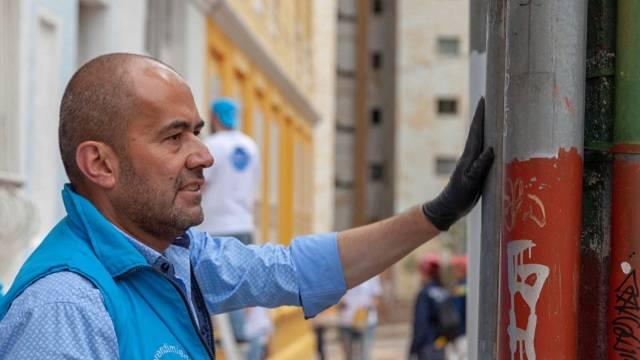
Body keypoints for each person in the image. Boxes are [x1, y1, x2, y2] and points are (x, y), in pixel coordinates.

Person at [0, 53, 493, 359]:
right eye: (174, 138)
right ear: (100, 164)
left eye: (197, 132)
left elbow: (295, 269)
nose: (204, 156)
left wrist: (436, 215)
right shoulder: (65, 309)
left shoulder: (177, 256)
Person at [200, 97, 265, 358]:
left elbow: (200, 184)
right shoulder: (251, 146)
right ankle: (250, 341)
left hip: (216, 226)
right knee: (243, 287)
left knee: (222, 291)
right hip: (244, 223)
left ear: (215, 118)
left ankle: (238, 339)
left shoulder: (211, 146)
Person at [409, 254, 460, 360]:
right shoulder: (443, 291)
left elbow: (421, 324)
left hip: (427, 345)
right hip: (440, 343)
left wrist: (413, 349)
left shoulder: (425, 293)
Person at [338, 275, 382, 360]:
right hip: (346, 321)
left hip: (366, 322)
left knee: (364, 355)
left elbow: (377, 296)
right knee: (348, 355)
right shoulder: (342, 272)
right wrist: (340, 304)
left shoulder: (372, 273)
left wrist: (366, 309)